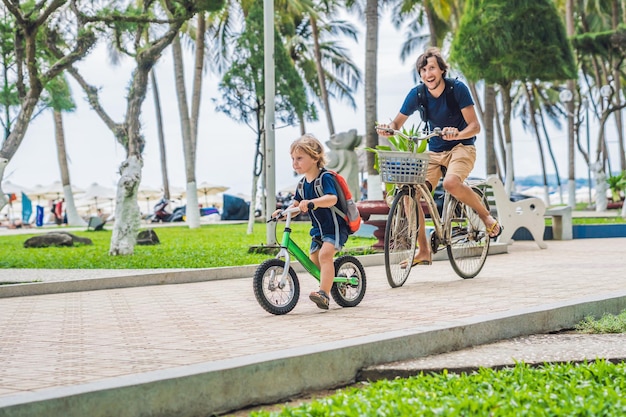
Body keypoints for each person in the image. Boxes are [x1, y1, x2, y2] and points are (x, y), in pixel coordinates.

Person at [376, 47, 501, 268]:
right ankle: (423, 250)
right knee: (410, 194)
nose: (427, 74)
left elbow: (475, 126)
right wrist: (389, 128)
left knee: (452, 183)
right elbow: (397, 123)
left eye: (432, 68)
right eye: (423, 70)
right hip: (434, 151)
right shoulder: (418, 94)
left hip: (462, 147)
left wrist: (458, 134)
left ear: (442, 70)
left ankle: (485, 217)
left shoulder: (457, 89)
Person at [276, 134, 349, 310]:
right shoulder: (302, 184)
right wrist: (283, 213)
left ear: (315, 157)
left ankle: (324, 293)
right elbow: (295, 205)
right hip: (318, 230)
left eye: (300, 158)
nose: (295, 163)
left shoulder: (325, 178)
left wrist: (312, 203)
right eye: (293, 159)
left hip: (335, 228)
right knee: (314, 259)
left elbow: (331, 199)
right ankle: (331, 282)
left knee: (325, 256)